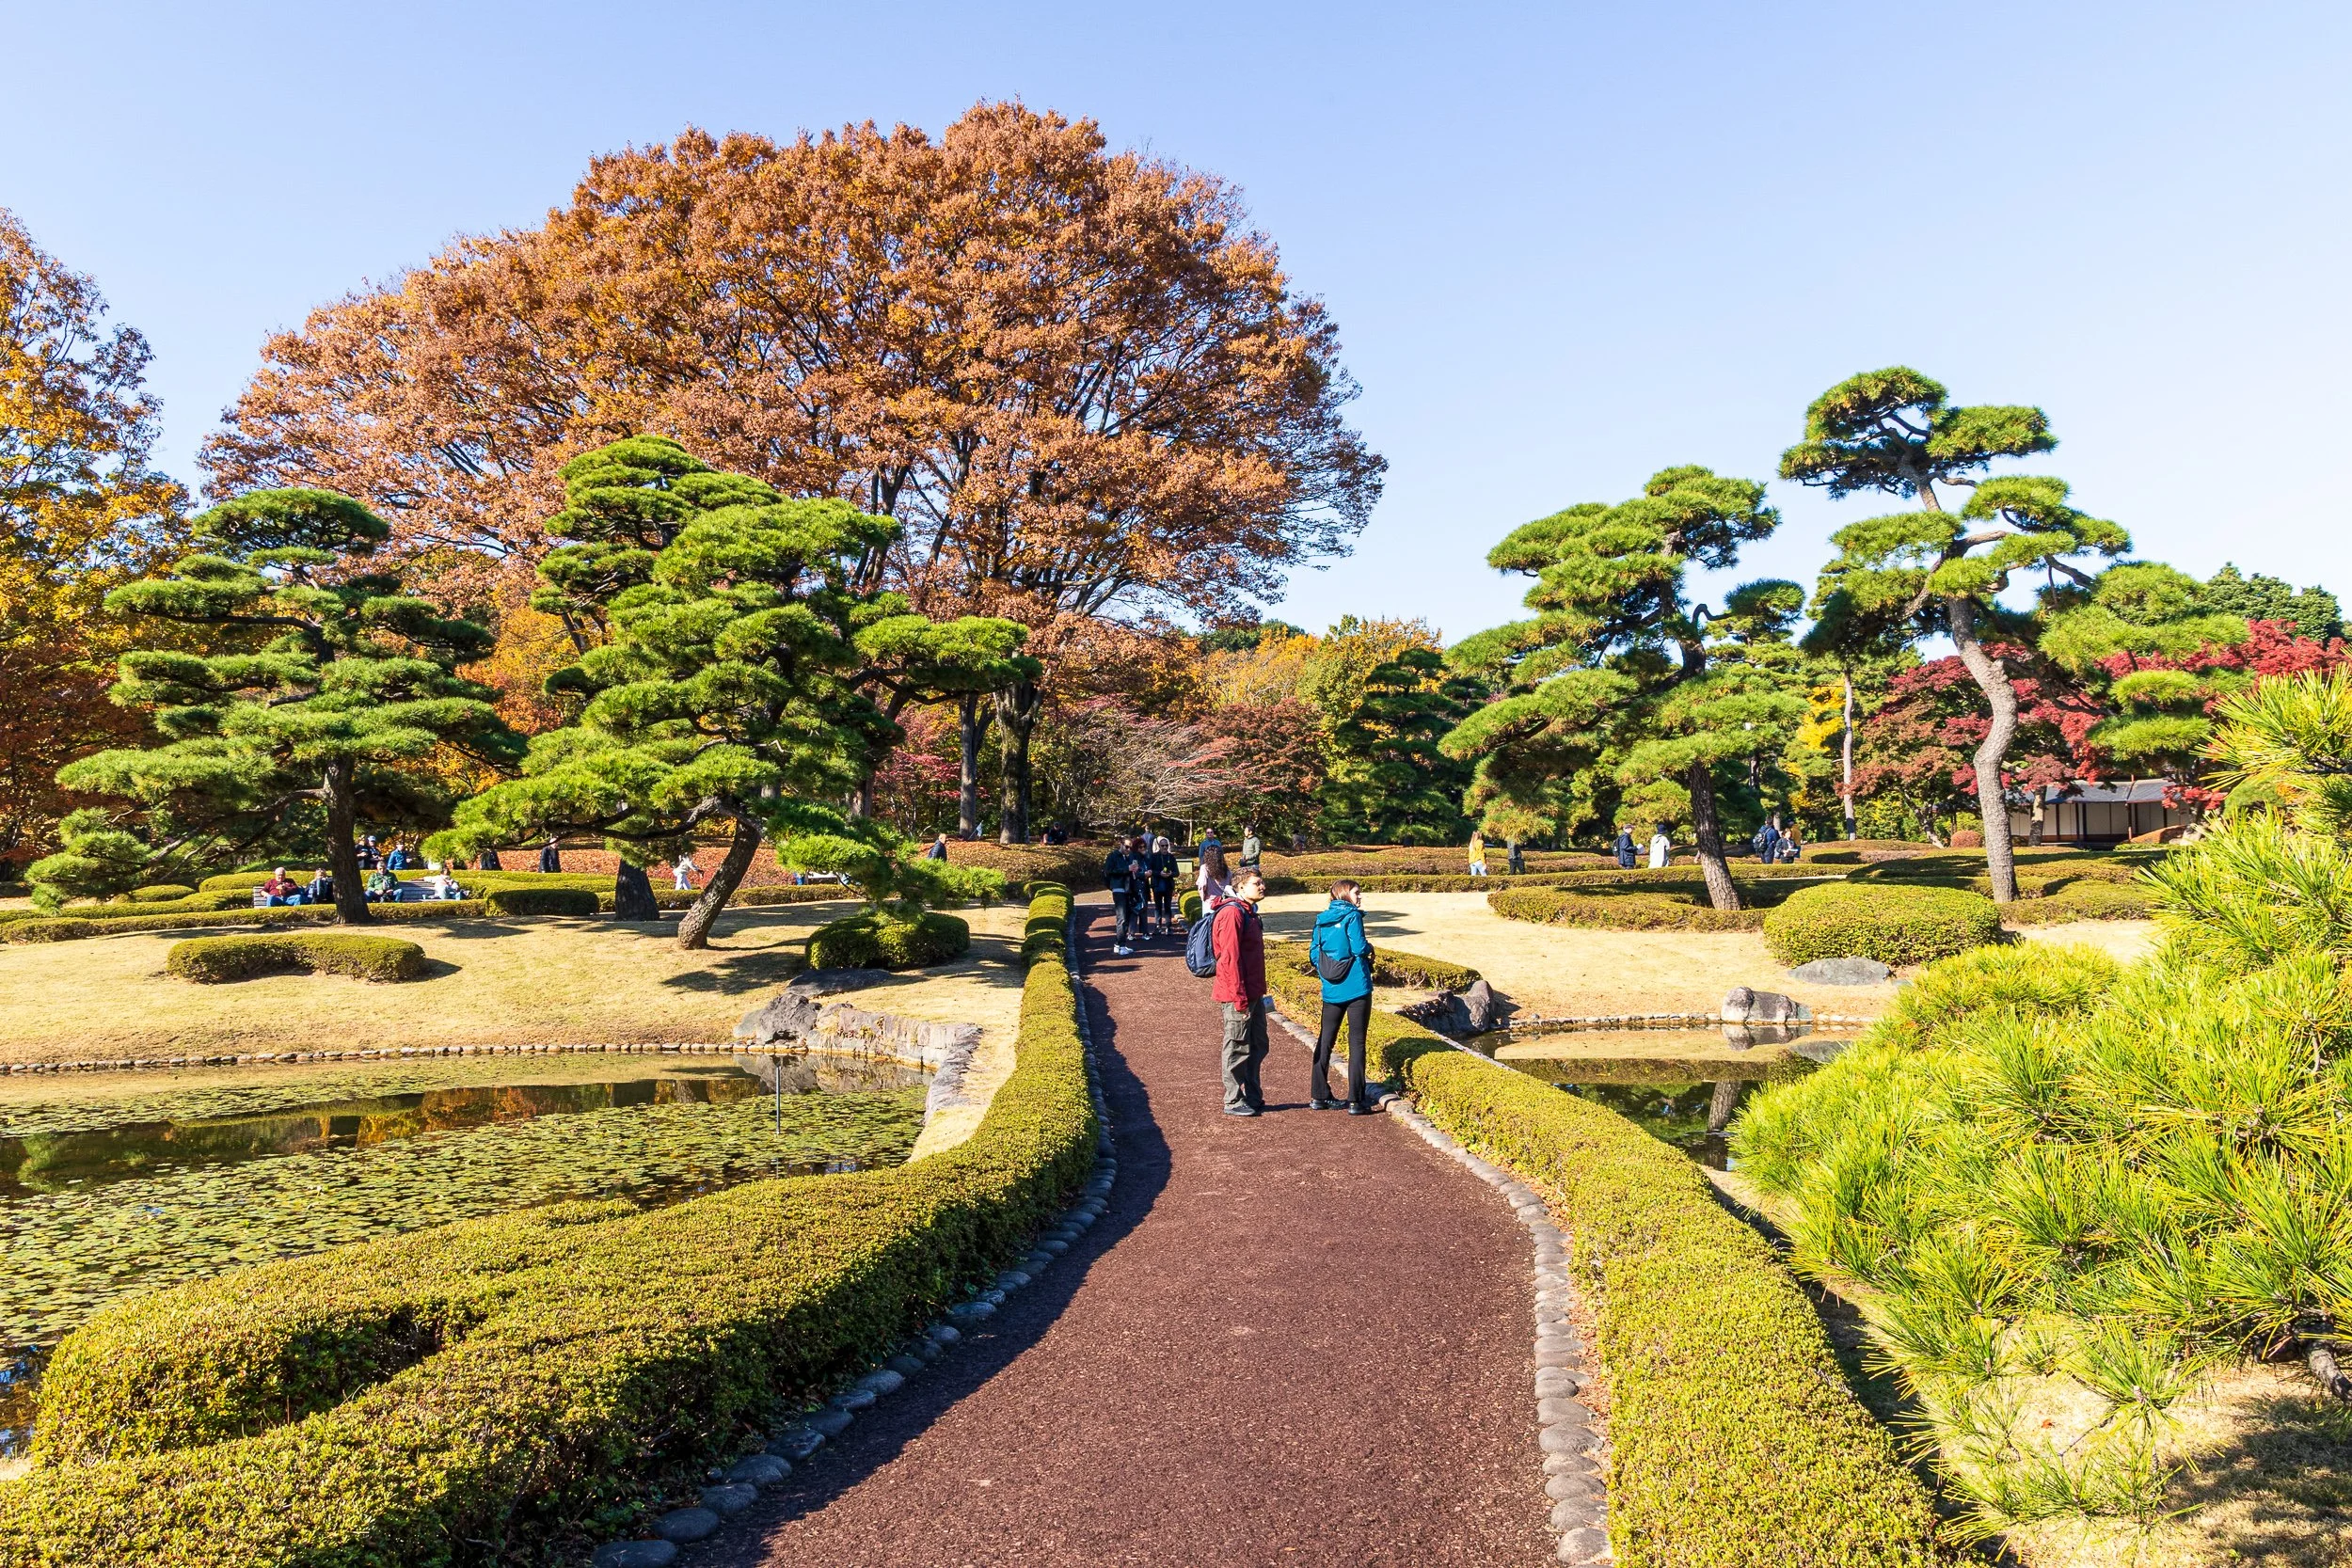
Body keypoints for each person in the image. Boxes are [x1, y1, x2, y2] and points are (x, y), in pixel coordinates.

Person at [1310, 879, 1377, 1113]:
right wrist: (1370, 949)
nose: (1360, 897)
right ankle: (1356, 1101)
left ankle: (1318, 1095)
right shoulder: (1353, 916)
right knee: (1356, 1042)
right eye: (1357, 893)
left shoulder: (1321, 919)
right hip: (1356, 985)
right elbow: (1358, 947)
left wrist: (1327, 970)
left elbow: (1313, 952)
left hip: (1331, 988)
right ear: (1345, 894)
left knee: (1325, 1040)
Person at [1212, 867, 1270, 1117]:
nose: (1262, 886)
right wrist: (1239, 998)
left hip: (1253, 992)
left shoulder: (1249, 913)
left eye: (1261, 881)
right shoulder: (1232, 914)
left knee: (1257, 1045)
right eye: (1257, 882)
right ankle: (1233, 1099)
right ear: (1241, 887)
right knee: (1236, 1046)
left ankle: (1253, 1095)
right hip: (1238, 993)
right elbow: (1229, 960)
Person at [1104, 834, 1149, 955]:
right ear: (1121, 845)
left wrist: (1135, 871)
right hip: (1118, 888)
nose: (1128, 849)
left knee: (1127, 917)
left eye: (1130, 847)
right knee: (1122, 917)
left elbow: (1133, 873)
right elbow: (1109, 871)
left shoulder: (1130, 857)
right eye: (1126, 847)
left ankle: (1119, 944)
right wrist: (1126, 869)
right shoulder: (1113, 856)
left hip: (1129, 889)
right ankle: (1121, 945)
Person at [1147, 834, 1179, 931]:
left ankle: (1168, 926)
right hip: (1157, 884)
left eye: (1166, 845)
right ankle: (1158, 925)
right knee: (1158, 906)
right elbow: (1150, 870)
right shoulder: (1154, 856)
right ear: (1159, 846)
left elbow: (1177, 872)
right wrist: (1159, 873)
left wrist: (1170, 874)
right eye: (1162, 845)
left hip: (1168, 885)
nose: (1165, 847)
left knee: (1168, 906)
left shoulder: (1171, 857)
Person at [1196, 840, 1232, 908]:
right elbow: (1231, 883)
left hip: (1210, 902)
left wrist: (1203, 898)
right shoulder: (1226, 869)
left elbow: (1202, 885)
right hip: (1224, 901)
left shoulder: (1204, 868)